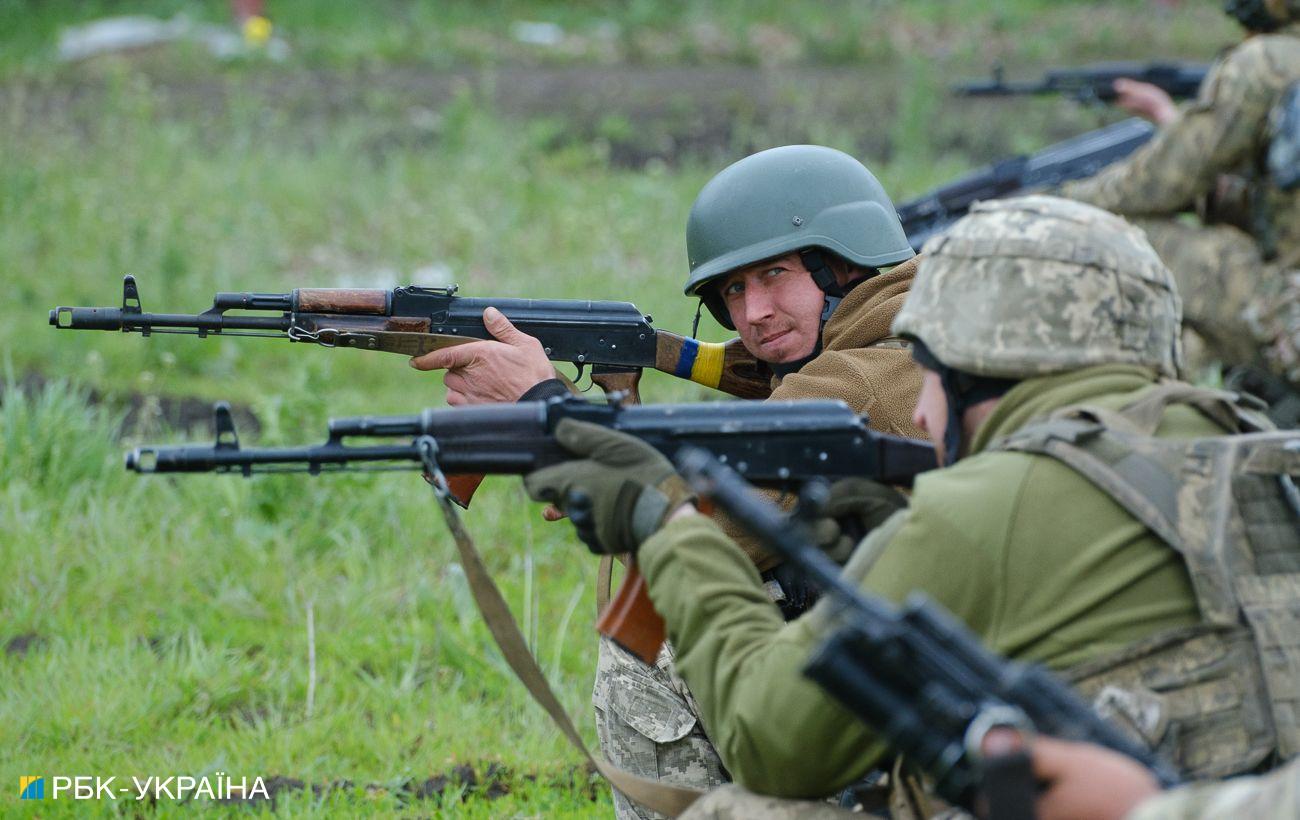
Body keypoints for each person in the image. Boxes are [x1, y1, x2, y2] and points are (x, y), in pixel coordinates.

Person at [523, 196, 1299, 816]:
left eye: (926, 365)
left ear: (975, 364)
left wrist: (670, 524)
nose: (919, 408)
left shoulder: (981, 505)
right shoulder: (1265, 448)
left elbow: (773, 741)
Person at [410, 145, 926, 818]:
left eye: (774, 275)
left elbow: (698, 535)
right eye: (734, 290)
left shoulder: (857, 378)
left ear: (843, 263)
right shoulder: (907, 341)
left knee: (658, 630)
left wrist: (546, 404)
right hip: (916, 688)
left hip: (898, 720)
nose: (755, 313)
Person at [1057, 0, 1300, 403]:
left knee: (1113, 235)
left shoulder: (1268, 64)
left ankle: (1117, 404)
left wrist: (1062, 204)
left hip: (1290, 316)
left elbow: (1155, 186)